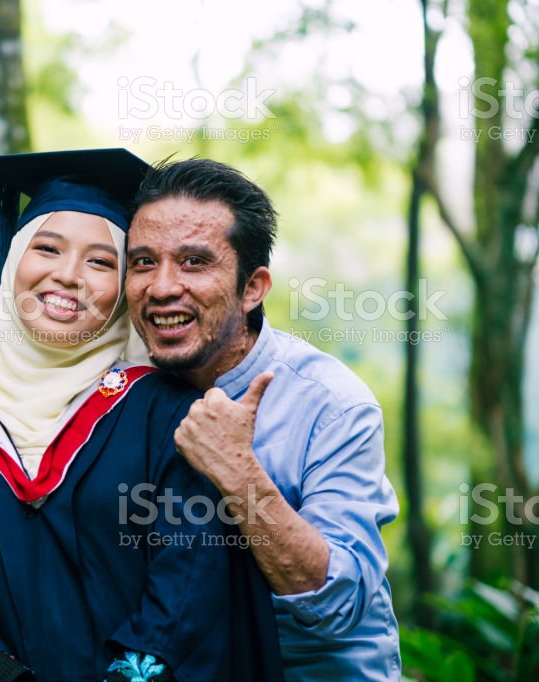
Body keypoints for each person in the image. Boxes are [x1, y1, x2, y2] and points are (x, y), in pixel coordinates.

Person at [0, 149, 283, 682]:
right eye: (47, 249)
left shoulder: (167, 412)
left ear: (126, 288)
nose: (68, 276)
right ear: (11, 262)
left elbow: (191, 566)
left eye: (102, 262)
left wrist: (133, 673)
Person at [124, 158, 401, 680]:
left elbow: (336, 608)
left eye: (193, 262)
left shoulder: (333, 406)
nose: (161, 287)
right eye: (142, 262)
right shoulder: (120, 394)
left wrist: (237, 471)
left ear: (253, 288)